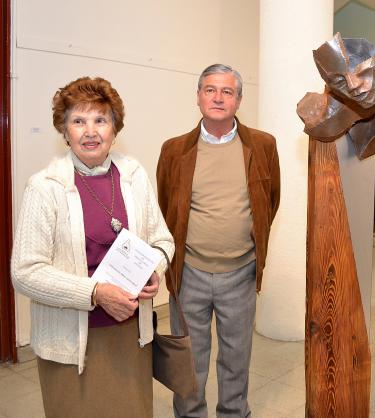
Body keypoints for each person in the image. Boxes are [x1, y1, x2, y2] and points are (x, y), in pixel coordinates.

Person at [11, 77, 174, 418]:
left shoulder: (134, 176)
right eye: (78, 121)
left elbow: (162, 241)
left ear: (115, 129)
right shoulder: (44, 187)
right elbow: (25, 272)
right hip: (69, 343)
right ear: (64, 130)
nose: (90, 131)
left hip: (130, 335)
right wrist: (96, 293)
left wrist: (153, 269)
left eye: (100, 120)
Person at [157, 63, 280, 418]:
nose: (218, 97)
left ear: (238, 100)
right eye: (210, 90)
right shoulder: (174, 150)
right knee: (188, 361)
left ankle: (234, 413)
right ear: (198, 97)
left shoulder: (263, 146)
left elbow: (269, 202)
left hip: (241, 273)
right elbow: (167, 206)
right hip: (189, 274)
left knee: (236, 359)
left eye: (227, 91)